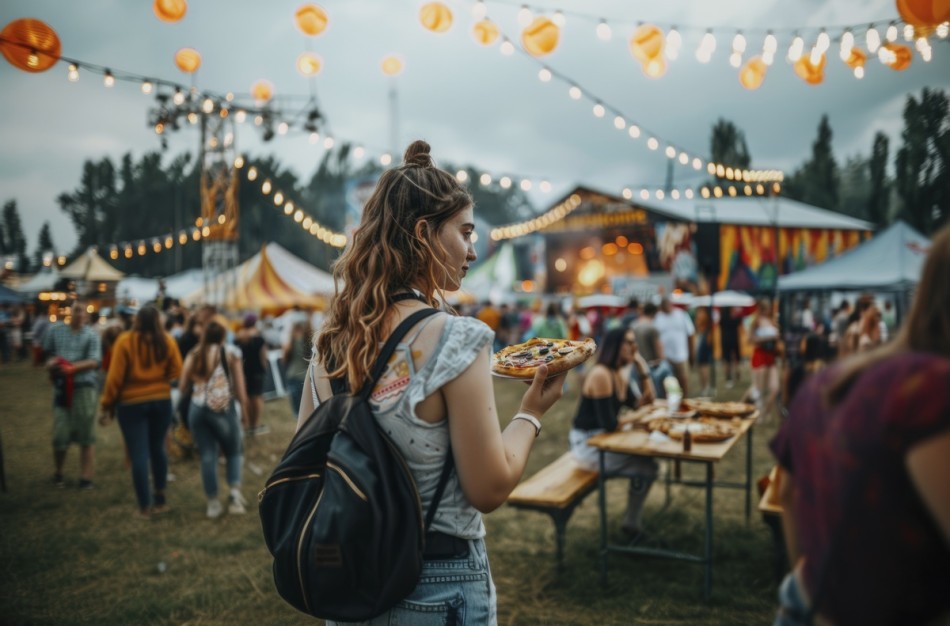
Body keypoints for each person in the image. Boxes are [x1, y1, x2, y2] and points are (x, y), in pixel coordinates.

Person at [298, 140, 565, 623]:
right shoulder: (455, 339)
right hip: (439, 583)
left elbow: (308, 472)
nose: (473, 248)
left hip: (351, 583)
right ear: (423, 233)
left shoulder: (328, 346)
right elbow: (489, 487)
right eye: (464, 232)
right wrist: (531, 413)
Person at [770, 224, 950, 626]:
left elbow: (787, 494)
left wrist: (820, 584)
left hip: (804, 604)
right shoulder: (932, 392)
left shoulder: (825, 384)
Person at [569, 327, 658, 540]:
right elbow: (609, 424)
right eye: (628, 342)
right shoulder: (601, 374)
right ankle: (631, 525)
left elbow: (646, 403)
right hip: (587, 445)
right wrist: (634, 419)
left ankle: (631, 522)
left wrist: (642, 367)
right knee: (647, 467)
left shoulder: (619, 373)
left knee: (647, 459)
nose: (634, 347)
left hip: (604, 439)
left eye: (634, 341)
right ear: (615, 346)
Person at [98, 305, 182, 517]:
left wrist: (106, 405)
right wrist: (159, 377)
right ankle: (160, 499)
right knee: (158, 449)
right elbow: (176, 370)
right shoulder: (167, 340)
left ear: (137, 320)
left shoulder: (125, 341)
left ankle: (145, 507)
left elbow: (114, 378)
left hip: (131, 404)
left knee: (139, 454)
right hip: (161, 401)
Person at [180, 317, 250, 519]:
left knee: (207, 455)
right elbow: (239, 388)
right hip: (223, 409)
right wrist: (244, 412)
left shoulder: (194, 353)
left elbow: (183, 385)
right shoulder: (231, 353)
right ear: (223, 335)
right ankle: (235, 497)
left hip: (197, 409)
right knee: (234, 451)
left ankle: (213, 503)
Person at [42, 300, 102, 489]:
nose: (78, 314)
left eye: (82, 311)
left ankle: (86, 478)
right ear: (70, 311)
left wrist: (71, 368)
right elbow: (48, 354)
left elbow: (94, 361)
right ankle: (58, 473)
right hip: (62, 387)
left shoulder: (91, 335)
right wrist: (51, 363)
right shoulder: (56, 331)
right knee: (60, 432)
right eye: (76, 310)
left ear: (86, 315)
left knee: (86, 433)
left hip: (84, 387)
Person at [654, 295, 695, 397]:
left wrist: (691, 353)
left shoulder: (681, 315)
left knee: (683, 380)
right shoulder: (658, 317)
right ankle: (671, 403)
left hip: (681, 355)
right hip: (665, 357)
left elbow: (691, 334)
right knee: (668, 383)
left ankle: (684, 401)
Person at [632, 301, 673, 398]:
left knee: (642, 395)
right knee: (656, 396)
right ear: (654, 313)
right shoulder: (652, 328)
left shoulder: (634, 325)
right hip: (652, 367)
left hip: (637, 367)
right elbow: (660, 352)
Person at [236, 313, 268, 435]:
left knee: (248, 398)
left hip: (245, 370)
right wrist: (264, 368)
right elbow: (263, 357)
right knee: (257, 397)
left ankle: (248, 423)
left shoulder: (239, 337)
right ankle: (255, 425)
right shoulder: (259, 338)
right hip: (257, 371)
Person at [749, 298, 781, 421]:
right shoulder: (756, 322)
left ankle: (765, 411)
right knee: (759, 388)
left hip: (770, 356)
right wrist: (767, 338)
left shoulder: (772, 321)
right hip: (760, 355)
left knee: (774, 388)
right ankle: (759, 414)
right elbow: (751, 340)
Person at [282, 317, 312, 417]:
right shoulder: (309, 343)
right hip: (305, 376)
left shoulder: (291, 343)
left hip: (294, 375)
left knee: (297, 410)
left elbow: (284, 360)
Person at [719, 306, 743, 388]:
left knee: (728, 360)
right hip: (733, 339)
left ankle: (730, 378)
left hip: (726, 339)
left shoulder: (723, 316)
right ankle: (736, 374)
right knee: (734, 358)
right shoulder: (734, 316)